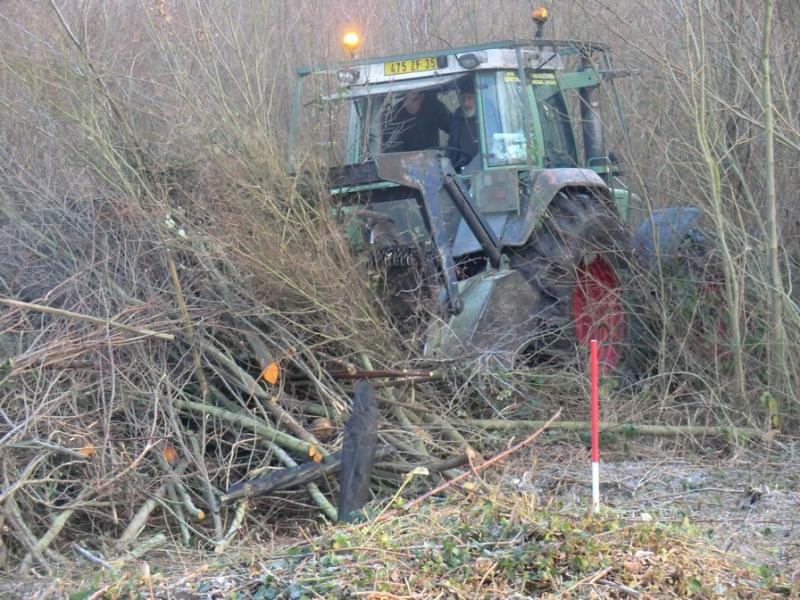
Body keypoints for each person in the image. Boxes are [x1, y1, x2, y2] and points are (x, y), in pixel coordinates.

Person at [383, 90, 451, 152]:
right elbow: (392, 149)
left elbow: (454, 128)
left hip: (432, 158)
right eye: (406, 99)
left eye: (414, 100)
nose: (410, 104)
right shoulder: (396, 116)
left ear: (422, 97)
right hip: (405, 161)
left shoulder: (434, 109)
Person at [447, 79, 480, 170]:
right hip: (459, 169)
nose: (466, 103)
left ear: (478, 97)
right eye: (463, 99)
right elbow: (451, 146)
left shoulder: (489, 115)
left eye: (470, 98)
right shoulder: (457, 117)